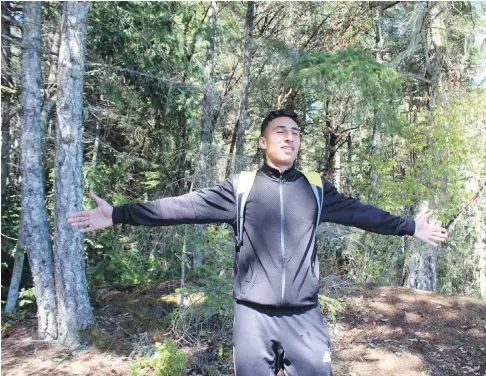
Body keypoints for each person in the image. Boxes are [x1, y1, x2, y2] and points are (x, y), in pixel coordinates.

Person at [68, 109, 448, 375]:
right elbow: (180, 207)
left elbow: (360, 213)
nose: (290, 137)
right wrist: (117, 214)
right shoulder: (242, 187)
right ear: (264, 140)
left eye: (296, 132)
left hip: (304, 314)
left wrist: (409, 226)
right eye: (281, 130)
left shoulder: (315, 188)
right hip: (253, 315)